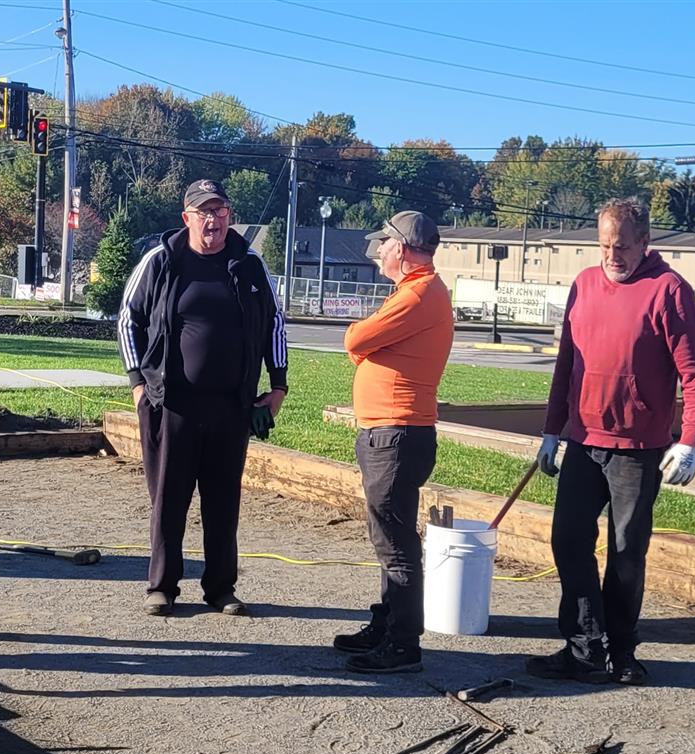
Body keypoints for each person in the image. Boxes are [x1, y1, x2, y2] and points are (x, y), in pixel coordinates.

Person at [531, 197, 695, 687]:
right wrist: (552, 429)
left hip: (637, 448)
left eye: (624, 247)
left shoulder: (670, 291)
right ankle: (584, 647)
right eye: (606, 246)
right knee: (568, 541)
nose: (614, 256)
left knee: (627, 550)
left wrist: (691, 439)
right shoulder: (584, 285)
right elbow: (567, 362)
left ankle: (621, 649)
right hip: (583, 440)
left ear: (645, 243)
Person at [118, 179, 289, 617]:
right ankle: (162, 586)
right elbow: (127, 320)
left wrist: (278, 386)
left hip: (232, 406)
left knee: (222, 501)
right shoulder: (161, 260)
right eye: (204, 212)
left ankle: (220, 588)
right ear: (187, 217)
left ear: (230, 215)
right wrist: (139, 383)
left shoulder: (249, 263)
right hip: (171, 402)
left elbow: (274, 324)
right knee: (168, 499)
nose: (213, 220)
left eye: (220, 210)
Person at [331, 211, 455, 673]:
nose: (378, 249)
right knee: (387, 535)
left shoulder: (420, 292)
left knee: (395, 540)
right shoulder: (412, 291)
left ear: (401, 248)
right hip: (389, 432)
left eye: (383, 242)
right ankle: (389, 623)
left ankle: (404, 644)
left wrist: (363, 347)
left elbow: (356, 338)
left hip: (398, 434)